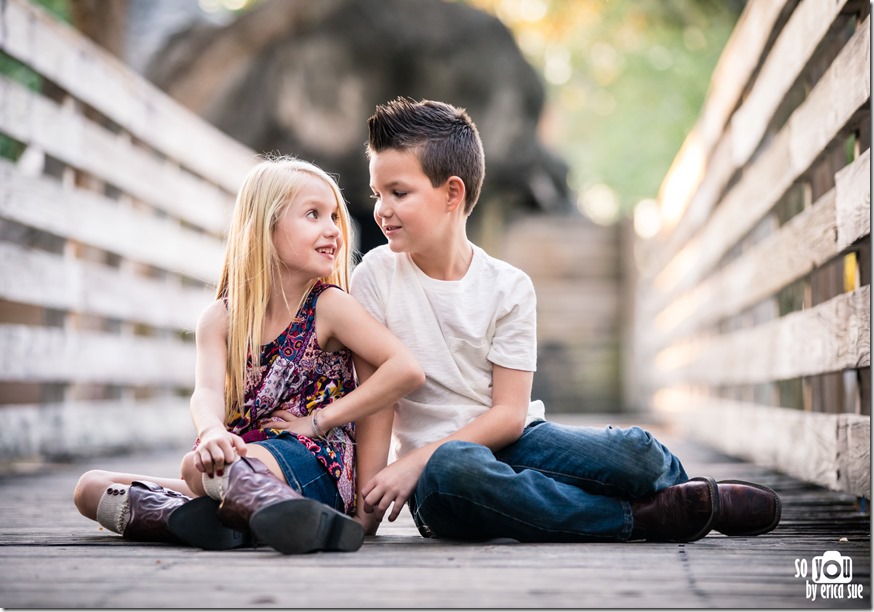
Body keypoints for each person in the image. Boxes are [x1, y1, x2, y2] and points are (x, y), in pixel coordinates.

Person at [349, 97, 782, 543]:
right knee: (456, 467)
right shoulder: (374, 279)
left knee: (636, 453)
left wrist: (411, 463)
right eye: (377, 194)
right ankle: (647, 517)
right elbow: (377, 402)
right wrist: (371, 510)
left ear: (452, 194)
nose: (382, 209)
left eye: (398, 193)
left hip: (517, 440)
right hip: (443, 480)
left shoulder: (508, 286)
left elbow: (510, 415)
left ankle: (682, 493)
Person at [73, 156, 425, 554]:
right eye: (313, 215)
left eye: (333, 218)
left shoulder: (329, 306)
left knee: (197, 469)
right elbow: (206, 393)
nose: (333, 231)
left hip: (314, 463)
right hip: (238, 463)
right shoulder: (220, 318)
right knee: (92, 488)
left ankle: (276, 513)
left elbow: (405, 370)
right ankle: (220, 521)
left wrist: (317, 421)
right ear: (264, 227)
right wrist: (212, 432)